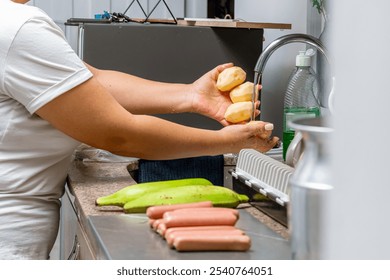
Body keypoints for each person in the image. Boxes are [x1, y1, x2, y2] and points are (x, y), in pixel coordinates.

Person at [0, 0, 279, 260]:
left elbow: (90, 81)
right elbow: (116, 133)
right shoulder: (17, 27)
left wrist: (192, 96)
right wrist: (225, 142)